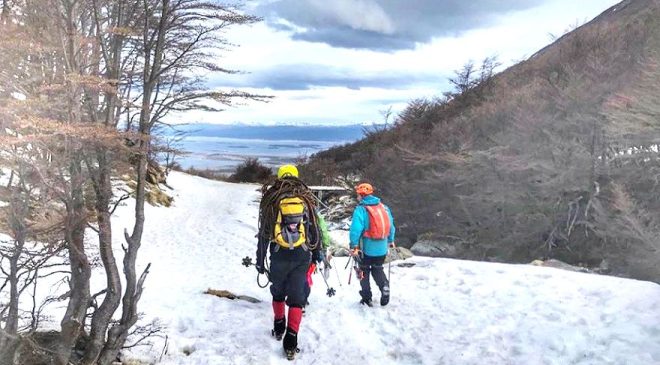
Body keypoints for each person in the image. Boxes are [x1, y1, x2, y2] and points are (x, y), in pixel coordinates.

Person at [255, 164, 324, 360]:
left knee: (277, 292)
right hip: (301, 256)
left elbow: (264, 234)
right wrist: (317, 253)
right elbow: (315, 230)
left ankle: (278, 326)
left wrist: (260, 260)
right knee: (296, 297)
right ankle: (291, 339)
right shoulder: (305, 198)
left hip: (278, 254)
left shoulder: (272, 200)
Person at [349, 182, 396, 307]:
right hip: (381, 248)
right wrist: (391, 240)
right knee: (377, 269)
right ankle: (384, 286)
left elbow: (355, 230)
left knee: (363, 271)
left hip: (366, 248)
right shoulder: (384, 207)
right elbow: (391, 226)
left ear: (360, 195)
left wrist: (353, 245)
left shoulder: (361, 209)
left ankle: (366, 297)